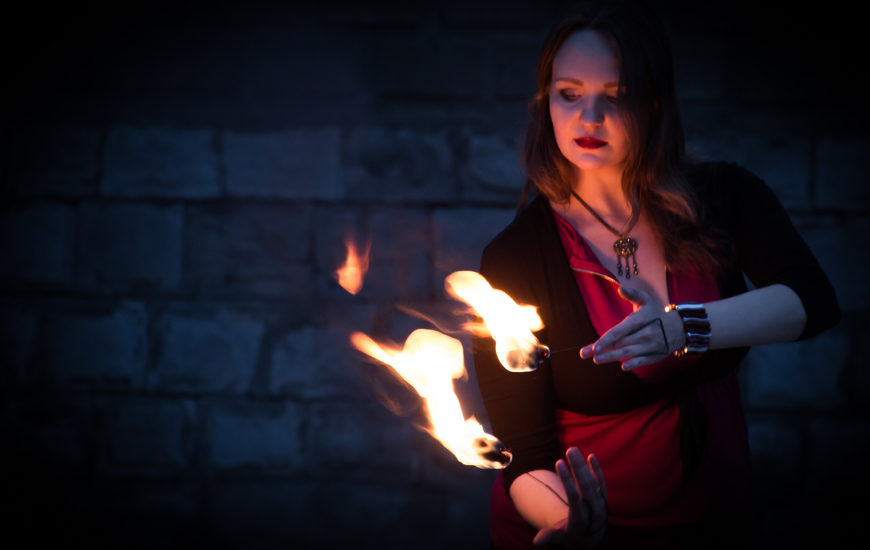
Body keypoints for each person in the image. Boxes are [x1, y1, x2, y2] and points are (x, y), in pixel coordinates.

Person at [472, 1, 841, 548]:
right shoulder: (516, 256)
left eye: (615, 95)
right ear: (546, 101)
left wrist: (682, 327)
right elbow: (525, 455)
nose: (589, 117)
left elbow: (812, 300)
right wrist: (570, 522)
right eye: (569, 94)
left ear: (653, 102)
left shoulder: (724, 196)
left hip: (718, 521)